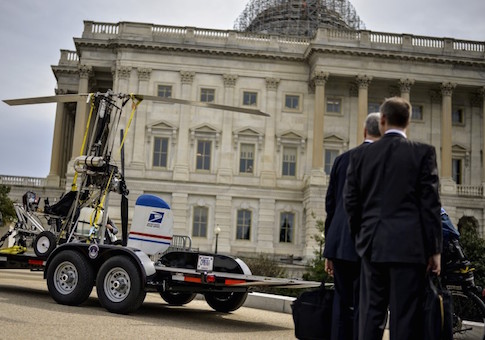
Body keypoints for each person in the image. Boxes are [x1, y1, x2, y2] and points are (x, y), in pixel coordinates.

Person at [344, 97, 442, 340]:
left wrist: (361, 237)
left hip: (372, 245)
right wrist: (434, 249)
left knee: (370, 316)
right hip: (409, 249)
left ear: (383, 120)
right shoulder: (423, 153)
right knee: (405, 319)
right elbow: (430, 206)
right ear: (408, 122)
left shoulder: (360, 156)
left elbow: (351, 203)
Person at [324, 112, 381, 340]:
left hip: (340, 245)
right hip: (371, 247)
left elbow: (331, 206)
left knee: (342, 305)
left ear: (365, 131)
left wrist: (329, 249)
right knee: (368, 309)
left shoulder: (342, 159)